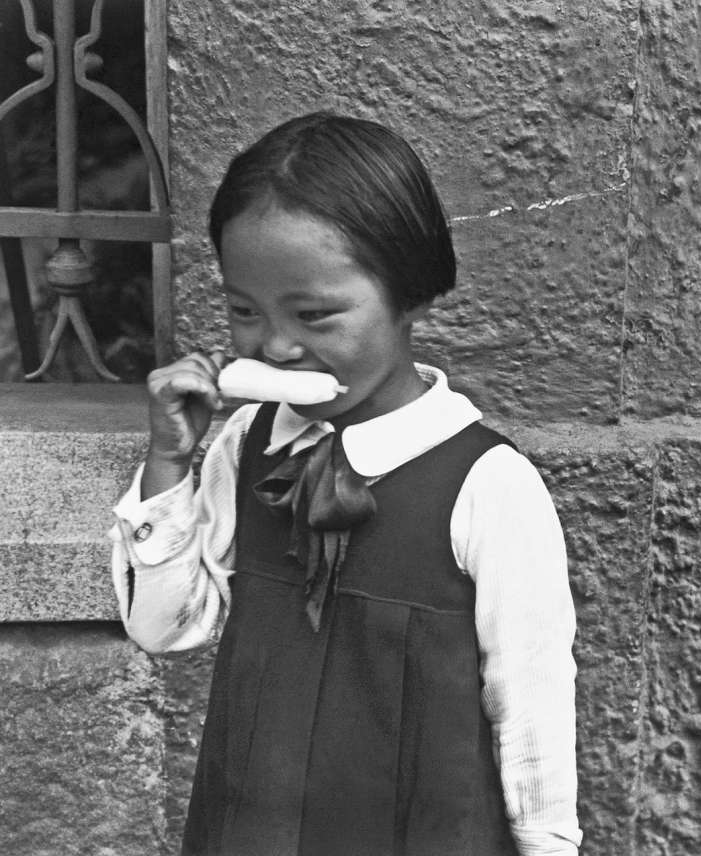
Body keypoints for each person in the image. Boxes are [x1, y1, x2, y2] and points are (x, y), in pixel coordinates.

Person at [108, 113, 581, 856]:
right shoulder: (246, 445)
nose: (275, 346)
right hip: (252, 828)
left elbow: (532, 704)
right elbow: (164, 628)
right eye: (243, 311)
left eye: (315, 315)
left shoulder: (488, 484)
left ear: (412, 296)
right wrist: (170, 462)